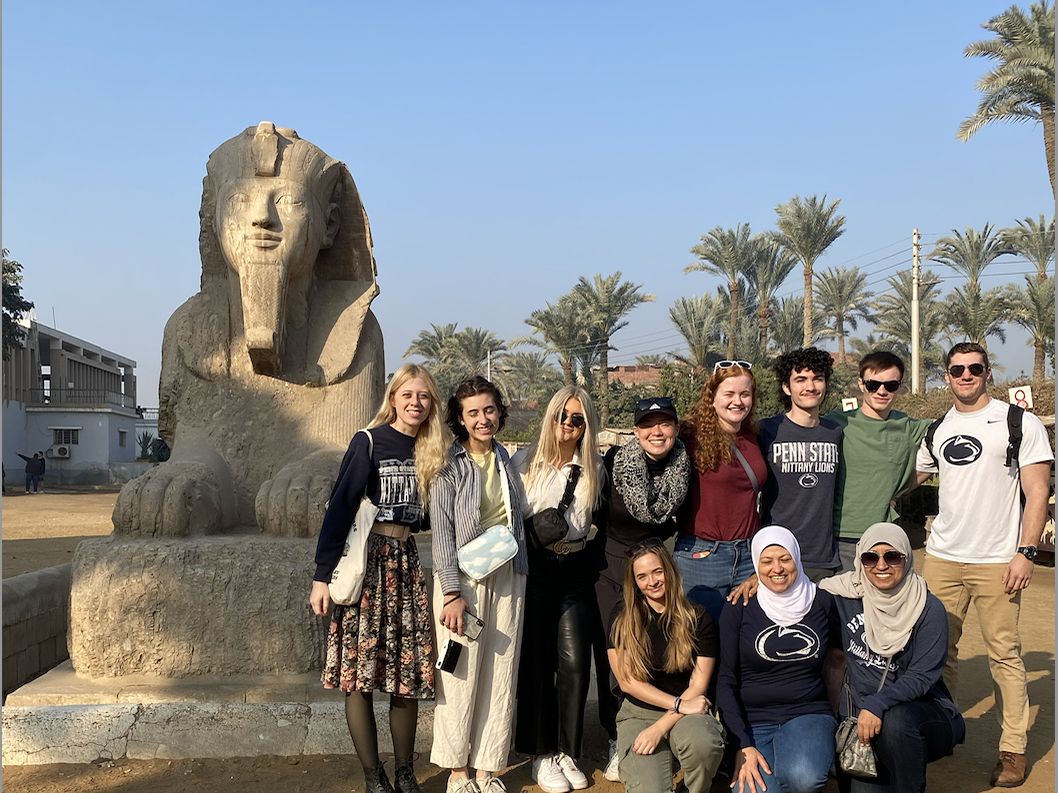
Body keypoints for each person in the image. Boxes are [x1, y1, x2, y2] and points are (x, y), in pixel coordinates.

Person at [912, 343, 1053, 787]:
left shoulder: (1019, 422)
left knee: (1004, 656)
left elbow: (1037, 493)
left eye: (975, 368)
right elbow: (908, 479)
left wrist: (1026, 551)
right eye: (958, 369)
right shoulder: (937, 428)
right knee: (938, 652)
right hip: (943, 558)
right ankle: (943, 732)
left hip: (998, 561)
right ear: (947, 376)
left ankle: (1013, 750)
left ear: (988, 373)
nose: (966, 375)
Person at [310, 364, 449, 793]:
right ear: (393, 398)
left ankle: (406, 773)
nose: (415, 403)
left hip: (406, 564)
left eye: (423, 396)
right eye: (407, 394)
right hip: (368, 566)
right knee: (360, 672)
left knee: (406, 673)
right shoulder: (368, 442)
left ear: (432, 404)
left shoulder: (435, 448)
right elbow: (340, 507)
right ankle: (374, 778)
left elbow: (432, 516)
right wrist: (321, 576)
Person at [431, 376, 528, 793]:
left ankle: (487, 766)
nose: (483, 419)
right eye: (473, 412)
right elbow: (442, 534)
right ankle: (456, 769)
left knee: (501, 671)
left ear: (499, 411)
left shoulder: (506, 457)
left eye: (489, 410)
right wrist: (451, 592)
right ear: (459, 418)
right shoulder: (448, 465)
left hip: (508, 572)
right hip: (464, 579)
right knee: (460, 672)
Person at [821, 523, 965, 793]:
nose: (881, 565)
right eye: (870, 557)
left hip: (919, 716)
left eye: (892, 556)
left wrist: (878, 703)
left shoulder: (928, 608)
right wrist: (760, 578)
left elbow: (923, 676)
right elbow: (794, 592)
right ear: (860, 560)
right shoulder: (844, 596)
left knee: (897, 723)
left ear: (907, 558)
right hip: (859, 726)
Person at [592, 395, 691, 781]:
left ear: (676, 429)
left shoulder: (685, 467)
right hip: (613, 566)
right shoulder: (614, 463)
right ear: (635, 431)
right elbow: (595, 514)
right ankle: (617, 736)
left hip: (659, 568)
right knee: (614, 654)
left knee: (659, 646)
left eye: (665, 423)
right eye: (648, 424)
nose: (657, 431)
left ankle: (662, 727)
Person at [513, 387, 605, 793]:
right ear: (550, 417)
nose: (568, 424)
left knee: (574, 665)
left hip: (575, 571)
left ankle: (567, 750)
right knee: (536, 665)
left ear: (587, 425)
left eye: (577, 419)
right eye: (562, 416)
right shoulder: (523, 463)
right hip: (535, 570)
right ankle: (541, 754)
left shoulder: (594, 470)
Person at [718, 526, 843, 793]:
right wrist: (742, 743)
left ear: (797, 558)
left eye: (785, 559)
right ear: (755, 565)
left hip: (808, 713)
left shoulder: (822, 602)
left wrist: (830, 718)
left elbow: (837, 659)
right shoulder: (738, 607)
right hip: (753, 721)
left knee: (802, 777)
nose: (777, 568)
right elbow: (726, 680)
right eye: (767, 561)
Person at [608, 539, 725, 793]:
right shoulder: (622, 617)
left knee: (704, 745)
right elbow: (628, 682)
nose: (652, 582)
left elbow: (698, 684)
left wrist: (661, 726)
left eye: (657, 572)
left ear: (669, 571)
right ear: (635, 583)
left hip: (687, 710)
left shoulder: (698, 617)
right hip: (640, 712)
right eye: (642, 576)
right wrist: (674, 707)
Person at [675, 361, 766, 621]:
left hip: (750, 555)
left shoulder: (754, 435)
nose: (737, 401)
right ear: (712, 398)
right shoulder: (689, 437)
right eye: (729, 394)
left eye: (744, 394)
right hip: (702, 557)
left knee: (745, 642)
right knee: (703, 643)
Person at [825, 351, 930, 572]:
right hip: (839, 538)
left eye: (890, 385)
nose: (882, 391)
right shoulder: (836, 423)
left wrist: (897, 490)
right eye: (873, 384)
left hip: (886, 538)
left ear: (900, 386)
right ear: (861, 384)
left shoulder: (910, 426)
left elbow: (952, 436)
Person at [758, 348, 842, 581]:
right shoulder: (767, 430)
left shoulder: (835, 432)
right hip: (776, 556)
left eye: (818, 378)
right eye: (801, 379)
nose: (810, 386)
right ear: (787, 387)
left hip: (822, 558)